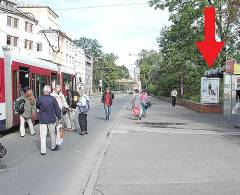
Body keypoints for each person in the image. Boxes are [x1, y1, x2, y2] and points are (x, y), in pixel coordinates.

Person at [36, 85, 62, 156]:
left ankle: (43, 151)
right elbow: (57, 109)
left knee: (43, 135)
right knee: (52, 133)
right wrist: (59, 117)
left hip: (43, 119)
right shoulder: (53, 99)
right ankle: (53, 147)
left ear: (43, 91)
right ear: (49, 91)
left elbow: (37, 106)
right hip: (51, 119)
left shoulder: (40, 99)